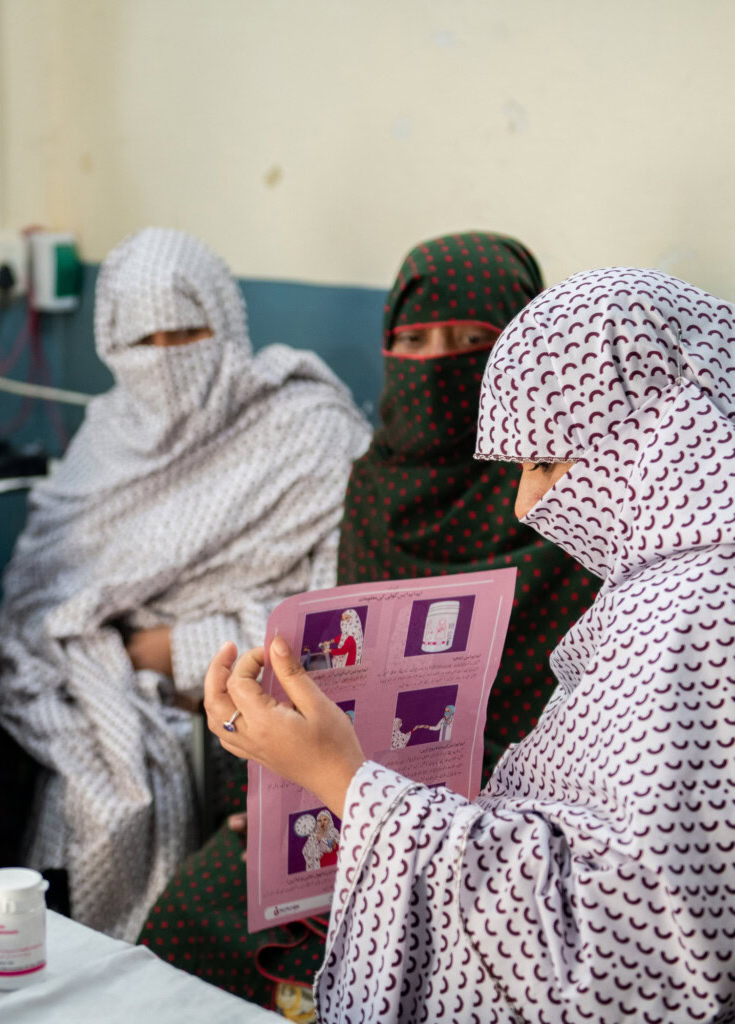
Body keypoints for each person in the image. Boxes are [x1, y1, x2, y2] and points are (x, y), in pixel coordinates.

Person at [206, 266, 735, 1022]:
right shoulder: (671, 579)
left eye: (545, 462)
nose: (527, 502)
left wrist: (342, 781)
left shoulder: (695, 615)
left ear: (658, 434)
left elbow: (624, 956)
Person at [140, 232, 595, 1012]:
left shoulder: (566, 500)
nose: (439, 363)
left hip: (509, 826)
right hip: (347, 791)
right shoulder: (377, 485)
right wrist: (283, 775)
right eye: (414, 341)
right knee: (192, 914)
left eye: (472, 343)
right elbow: (349, 680)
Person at [0, 227, 369, 941]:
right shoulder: (106, 434)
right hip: (109, 681)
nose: (166, 360)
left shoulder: (307, 429)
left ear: (225, 325)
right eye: (145, 343)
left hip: (249, 673)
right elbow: (38, 599)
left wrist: (171, 650)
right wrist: (114, 663)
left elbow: (334, 621)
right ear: (113, 347)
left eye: (187, 333)